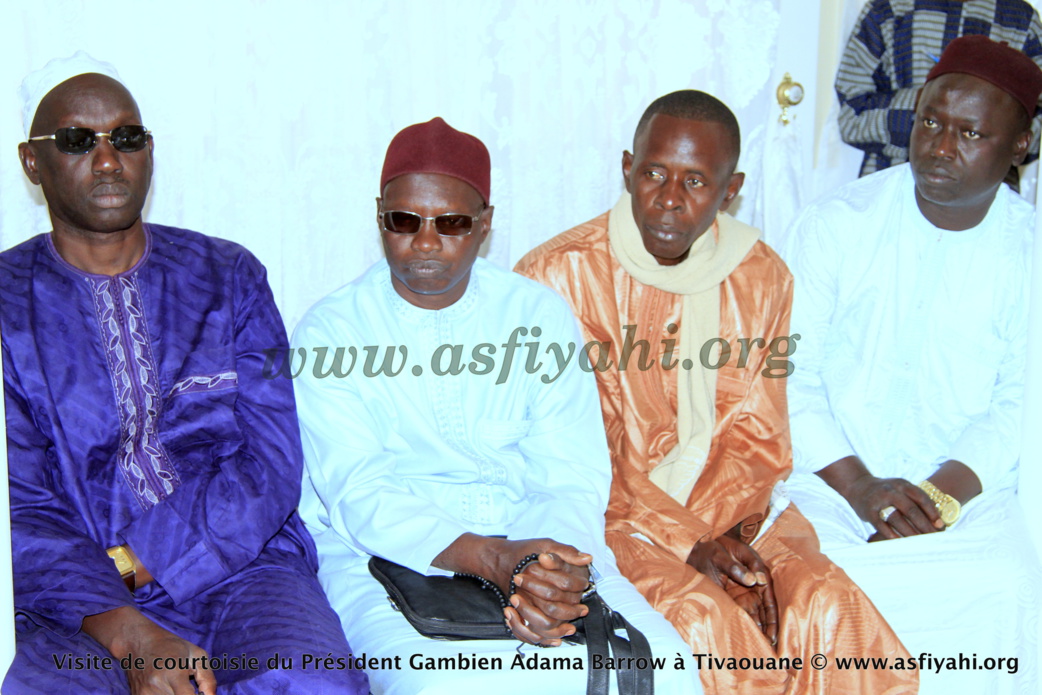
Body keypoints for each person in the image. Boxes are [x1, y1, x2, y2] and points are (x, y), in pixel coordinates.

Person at [515, 89, 915, 694]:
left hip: (738, 515)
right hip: (608, 516)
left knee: (825, 608)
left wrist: (734, 550)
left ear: (731, 190)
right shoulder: (557, 277)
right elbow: (584, 454)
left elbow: (759, 438)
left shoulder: (762, 277)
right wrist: (692, 546)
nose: (670, 200)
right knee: (708, 624)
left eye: (697, 182)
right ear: (627, 169)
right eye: (654, 173)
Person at [1, 53, 369, 695]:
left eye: (127, 137)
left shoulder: (228, 277)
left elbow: (272, 463)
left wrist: (142, 561)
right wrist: (128, 629)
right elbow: (18, 506)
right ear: (34, 163)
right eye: (77, 141)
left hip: (246, 568)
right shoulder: (6, 303)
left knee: (311, 681)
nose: (108, 159)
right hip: (76, 602)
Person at [293, 117, 698, 694]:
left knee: (669, 676)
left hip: (534, 541)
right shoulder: (330, 334)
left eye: (452, 223)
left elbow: (570, 474)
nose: (426, 241)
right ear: (379, 216)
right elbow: (360, 495)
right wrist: (493, 561)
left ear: (485, 225)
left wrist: (546, 573)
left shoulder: (537, 318)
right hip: (388, 560)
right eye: (404, 221)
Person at [785, 35, 1042, 694]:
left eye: (968, 133)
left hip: (970, 495)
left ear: (1020, 146)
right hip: (832, 479)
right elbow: (787, 372)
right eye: (929, 121)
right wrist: (864, 489)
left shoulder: (1028, 252)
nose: (939, 146)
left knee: (1008, 587)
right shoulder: (838, 222)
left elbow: (1021, 401)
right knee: (797, 577)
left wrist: (933, 499)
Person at [836, 0, 1042, 177]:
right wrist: (925, 107)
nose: (943, 150)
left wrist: (980, 123)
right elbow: (850, 118)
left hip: (987, 206)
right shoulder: (890, 9)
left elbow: (1033, 137)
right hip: (893, 192)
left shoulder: (1021, 21)